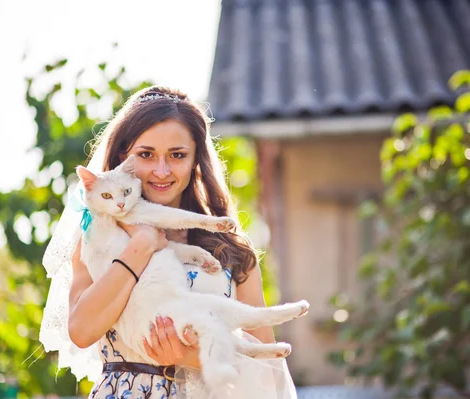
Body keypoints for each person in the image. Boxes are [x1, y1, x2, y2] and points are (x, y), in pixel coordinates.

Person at [40, 86, 296, 398]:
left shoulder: (231, 250)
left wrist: (185, 356)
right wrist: (141, 245)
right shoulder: (95, 241)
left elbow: (268, 370)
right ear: (124, 159)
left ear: (195, 160)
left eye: (177, 155)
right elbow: (81, 330)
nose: (161, 171)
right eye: (146, 155)